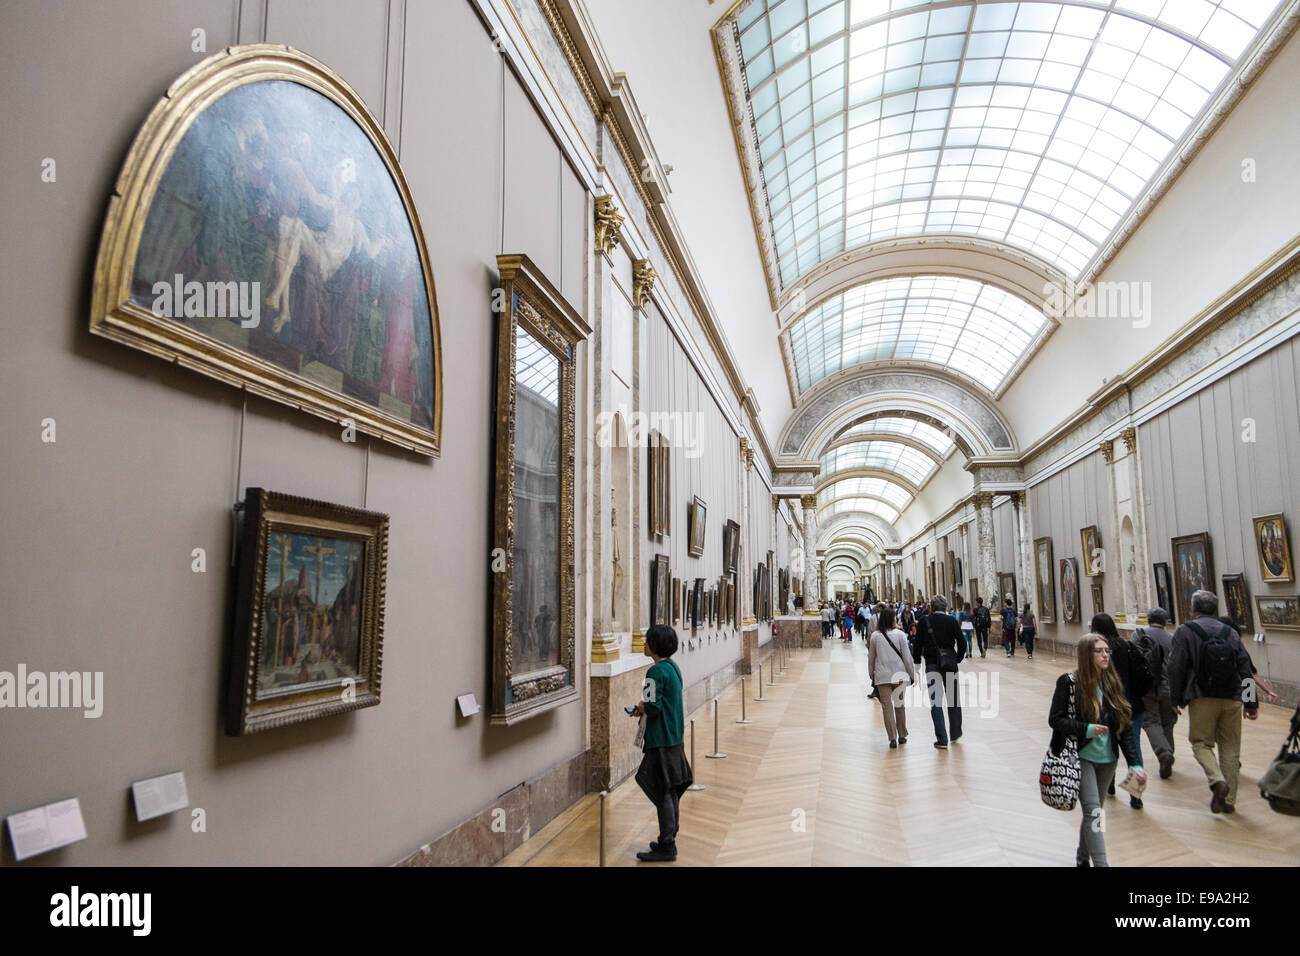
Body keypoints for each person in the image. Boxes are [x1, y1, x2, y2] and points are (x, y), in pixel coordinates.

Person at [1049, 635, 1145, 867]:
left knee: (1095, 811)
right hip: (1081, 756)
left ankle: (1082, 859)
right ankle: (1102, 864)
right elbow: (1055, 720)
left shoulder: (1112, 683)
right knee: (1094, 814)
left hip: (1108, 759)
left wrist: (1136, 764)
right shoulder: (1069, 682)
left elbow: (1124, 728)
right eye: (1099, 651)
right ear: (1086, 655)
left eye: (1107, 651)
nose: (1105, 655)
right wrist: (1088, 729)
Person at [1166, 590, 1256, 814]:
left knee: (1201, 743)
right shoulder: (1230, 632)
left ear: (1193, 608)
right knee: (1231, 748)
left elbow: (1176, 667)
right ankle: (1230, 801)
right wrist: (1251, 702)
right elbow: (1245, 668)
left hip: (1202, 696)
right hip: (1233, 697)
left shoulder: (1186, 631)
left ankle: (1217, 781)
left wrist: (1175, 698)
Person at [631, 624, 693, 861]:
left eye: (647, 641)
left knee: (663, 790)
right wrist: (645, 705)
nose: (644, 644)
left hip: (661, 738)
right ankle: (669, 836)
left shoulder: (654, 673)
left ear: (655, 645)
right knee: (671, 789)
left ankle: (667, 843)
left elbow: (654, 707)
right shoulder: (673, 667)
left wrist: (642, 707)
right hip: (674, 736)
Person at [1091, 613, 1152, 808]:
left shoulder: (1095, 651)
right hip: (1131, 706)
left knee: (1109, 747)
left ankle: (1109, 783)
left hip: (1106, 708)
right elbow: (1142, 676)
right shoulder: (1127, 646)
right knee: (1133, 748)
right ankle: (1136, 794)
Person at [912, 595, 965, 748]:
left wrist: (917, 663)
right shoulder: (951, 620)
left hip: (932, 664)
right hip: (949, 664)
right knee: (953, 699)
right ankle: (955, 732)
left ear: (932, 607)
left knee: (936, 702)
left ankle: (942, 739)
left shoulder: (924, 621)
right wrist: (958, 658)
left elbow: (917, 644)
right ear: (945, 606)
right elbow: (962, 641)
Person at [1134, 608, 1177, 779]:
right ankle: (1169, 754)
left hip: (1147, 687)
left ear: (1148, 619)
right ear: (1165, 621)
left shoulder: (1139, 634)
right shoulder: (1172, 638)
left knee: (1151, 721)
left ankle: (1164, 753)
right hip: (1168, 687)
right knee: (1168, 721)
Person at [868, 606, 916, 748]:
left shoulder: (875, 636)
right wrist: (912, 674)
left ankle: (892, 737)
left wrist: (872, 674)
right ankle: (902, 734)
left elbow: (871, 658)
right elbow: (907, 657)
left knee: (886, 707)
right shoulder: (900, 634)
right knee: (899, 705)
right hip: (899, 674)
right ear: (892, 619)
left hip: (882, 676)